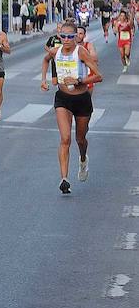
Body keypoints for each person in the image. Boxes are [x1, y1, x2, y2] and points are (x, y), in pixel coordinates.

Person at [41, 19, 102, 194]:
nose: (67, 39)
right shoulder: (55, 51)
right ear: (60, 36)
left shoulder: (81, 52)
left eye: (70, 36)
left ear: (76, 37)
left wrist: (79, 80)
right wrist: (43, 80)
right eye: (64, 36)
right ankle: (64, 179)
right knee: (65, 138)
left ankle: (83, 159)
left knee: (80, 139)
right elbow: (45, 60)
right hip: (63, 99)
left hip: (82, 99)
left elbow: (98, 76)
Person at [76, 25, 98, 94]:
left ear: (84, 35)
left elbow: (94, 58)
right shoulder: (71, 46)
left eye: (80, 34)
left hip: (88, 77)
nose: (78, 36)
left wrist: (83, 58)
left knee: (87, 101)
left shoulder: (88, 45)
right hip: (74, 77)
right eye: (76, 33)